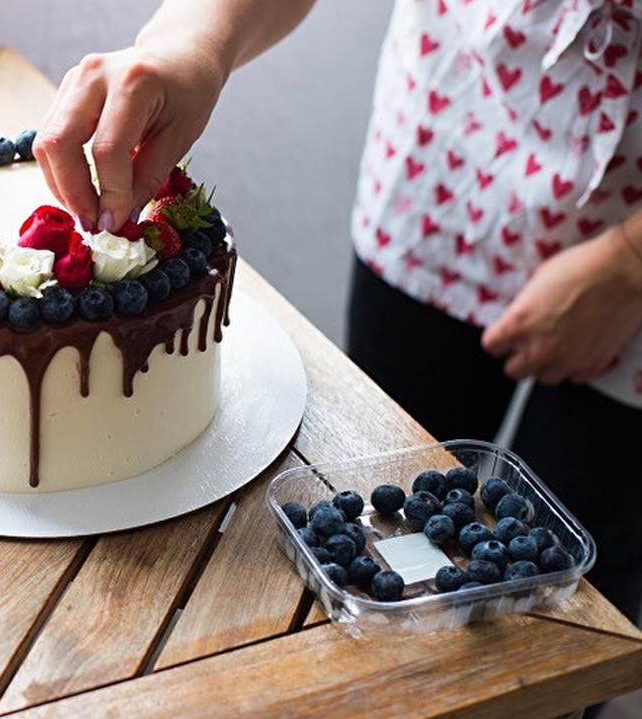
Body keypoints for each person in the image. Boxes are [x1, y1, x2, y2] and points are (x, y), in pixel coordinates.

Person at [34, 0, 642, 623]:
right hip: (448, 172)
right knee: (380, 522)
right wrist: (186, 46)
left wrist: (628, 264)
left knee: (578, 601)